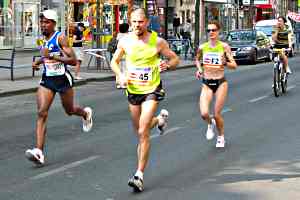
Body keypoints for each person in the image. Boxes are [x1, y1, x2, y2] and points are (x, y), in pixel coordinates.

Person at [110, 8, 179, 192]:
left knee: (142, 131)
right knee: (141, 130)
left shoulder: (158, 42)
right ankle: (160, 120)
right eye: (133, 22)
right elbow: (114, 62)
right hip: (133, 90)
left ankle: (139, 175)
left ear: (147, 22)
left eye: (140, 22)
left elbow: (175, 59)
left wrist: (167, 65)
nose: (136, 25)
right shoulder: (125, 41)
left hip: (152, 89)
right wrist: (120, 76)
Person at [25, 10, 93, 166]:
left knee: (69, 111)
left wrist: (52, 57)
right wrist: (39, 62)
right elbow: (47, 54)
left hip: (62, 80)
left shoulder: (60, 37)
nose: (43, 24)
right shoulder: (43, 38)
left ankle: (85, 113)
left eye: (47, 22)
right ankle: (39, 152)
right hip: (47, 80)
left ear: (54, 23)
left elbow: (73, 60)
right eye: (42, 22)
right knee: (42, 112)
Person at [195, 20, 237, 148]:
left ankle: (221, 136)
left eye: (213, 30)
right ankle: (210, 123)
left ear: (218, 32)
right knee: (204, 113)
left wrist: (225, 63)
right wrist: (200, 69)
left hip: (220, 83)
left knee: (217, 113)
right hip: (207, 83)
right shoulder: (203, 47)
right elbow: (197, 59)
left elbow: (234, 65)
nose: (211, 32)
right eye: (209, 30)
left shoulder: (224, 47)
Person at [115, 23, 129, 89]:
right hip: (125, 54)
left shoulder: (118, 35)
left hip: (117, 54)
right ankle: (123, 84)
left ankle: (118, 83)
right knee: (125, 69)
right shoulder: (128, 36)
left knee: (118, 69)